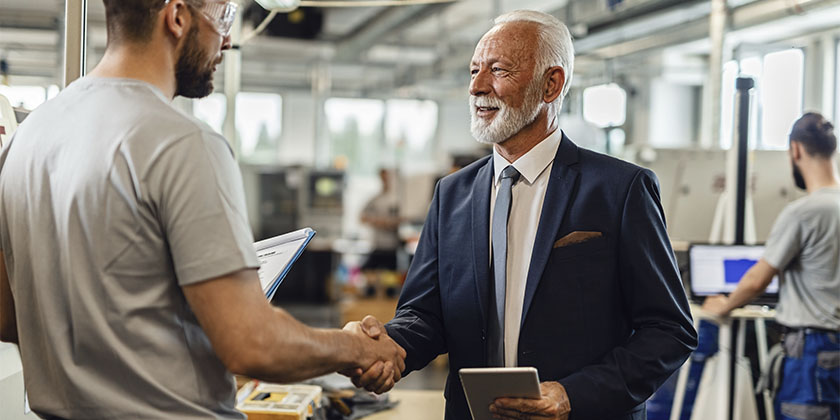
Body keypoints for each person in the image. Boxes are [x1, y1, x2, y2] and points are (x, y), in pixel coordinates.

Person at [0, 1, 404, 418]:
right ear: (177, 17)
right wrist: (354, 346)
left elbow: (7, 318)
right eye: (224, 17)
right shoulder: (182, 144)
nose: (227, 40)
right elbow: (252, 344)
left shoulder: (24, 139)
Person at [349, 9, 697, 420]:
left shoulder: (619, 190)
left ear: (551, 85)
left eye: (498, 70)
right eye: (474, 70)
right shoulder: (452, 193)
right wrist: (388, 348)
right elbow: (426, 315)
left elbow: (669, 330)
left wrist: (572, 395)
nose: (477, 86)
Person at [703, 112, 840, 420]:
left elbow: (757, 279)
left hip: (813, 350)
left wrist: (724, 305)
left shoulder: (804, 212)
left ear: (795, 150)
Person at [360, 168, 401, 270]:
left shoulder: (397, 200)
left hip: (391, 248)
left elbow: (400, 221)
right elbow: (362, 217)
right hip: (377, 246)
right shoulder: (376, 199)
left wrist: (387, 222)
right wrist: (381, 222)